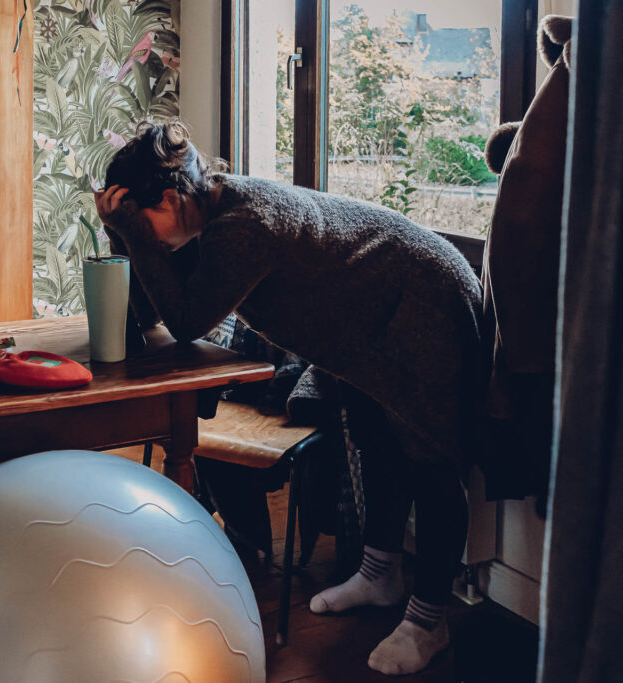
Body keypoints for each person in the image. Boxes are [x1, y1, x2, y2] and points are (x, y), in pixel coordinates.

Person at [95, 119, 483, 676]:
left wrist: (132, 231)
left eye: (145, 217)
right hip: (368, 320)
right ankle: (380, 575)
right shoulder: (202, 219)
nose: (148, 235)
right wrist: (124, 229)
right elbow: (154, 306)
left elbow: (184, 322)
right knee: (375, 440)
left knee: (431, 466)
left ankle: (429, 621)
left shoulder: (242, 226)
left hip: (420, 299)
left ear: (173, 197)